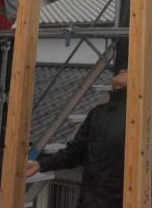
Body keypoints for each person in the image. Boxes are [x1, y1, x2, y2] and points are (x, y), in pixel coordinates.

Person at [25, 69, 128, 207]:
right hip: (89, 202)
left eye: (128, 70)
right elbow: (75, 152)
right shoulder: (98, 113)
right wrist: (41, 164)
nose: (121, 70)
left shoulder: (138, 120)